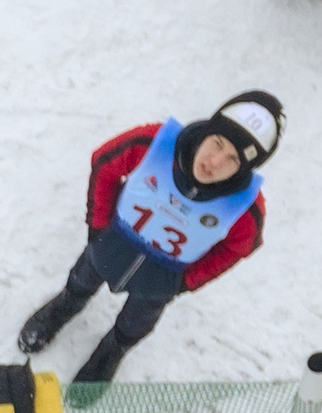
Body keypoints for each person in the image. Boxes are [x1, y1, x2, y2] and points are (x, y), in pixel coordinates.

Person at [14, 94, 282, 390]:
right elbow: (105, 163)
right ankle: (65, 305)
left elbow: (241, 246)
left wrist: (186, 281)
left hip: (162, 275)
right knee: (83, 277)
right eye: (216, 143)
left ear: (244, 169)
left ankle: (113, 349)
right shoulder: (155, 145)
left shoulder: (246, 208)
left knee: (137, 322)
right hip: (114, 241)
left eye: (233, 159)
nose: (214, 161)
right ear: (207, 130)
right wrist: (99, 226)